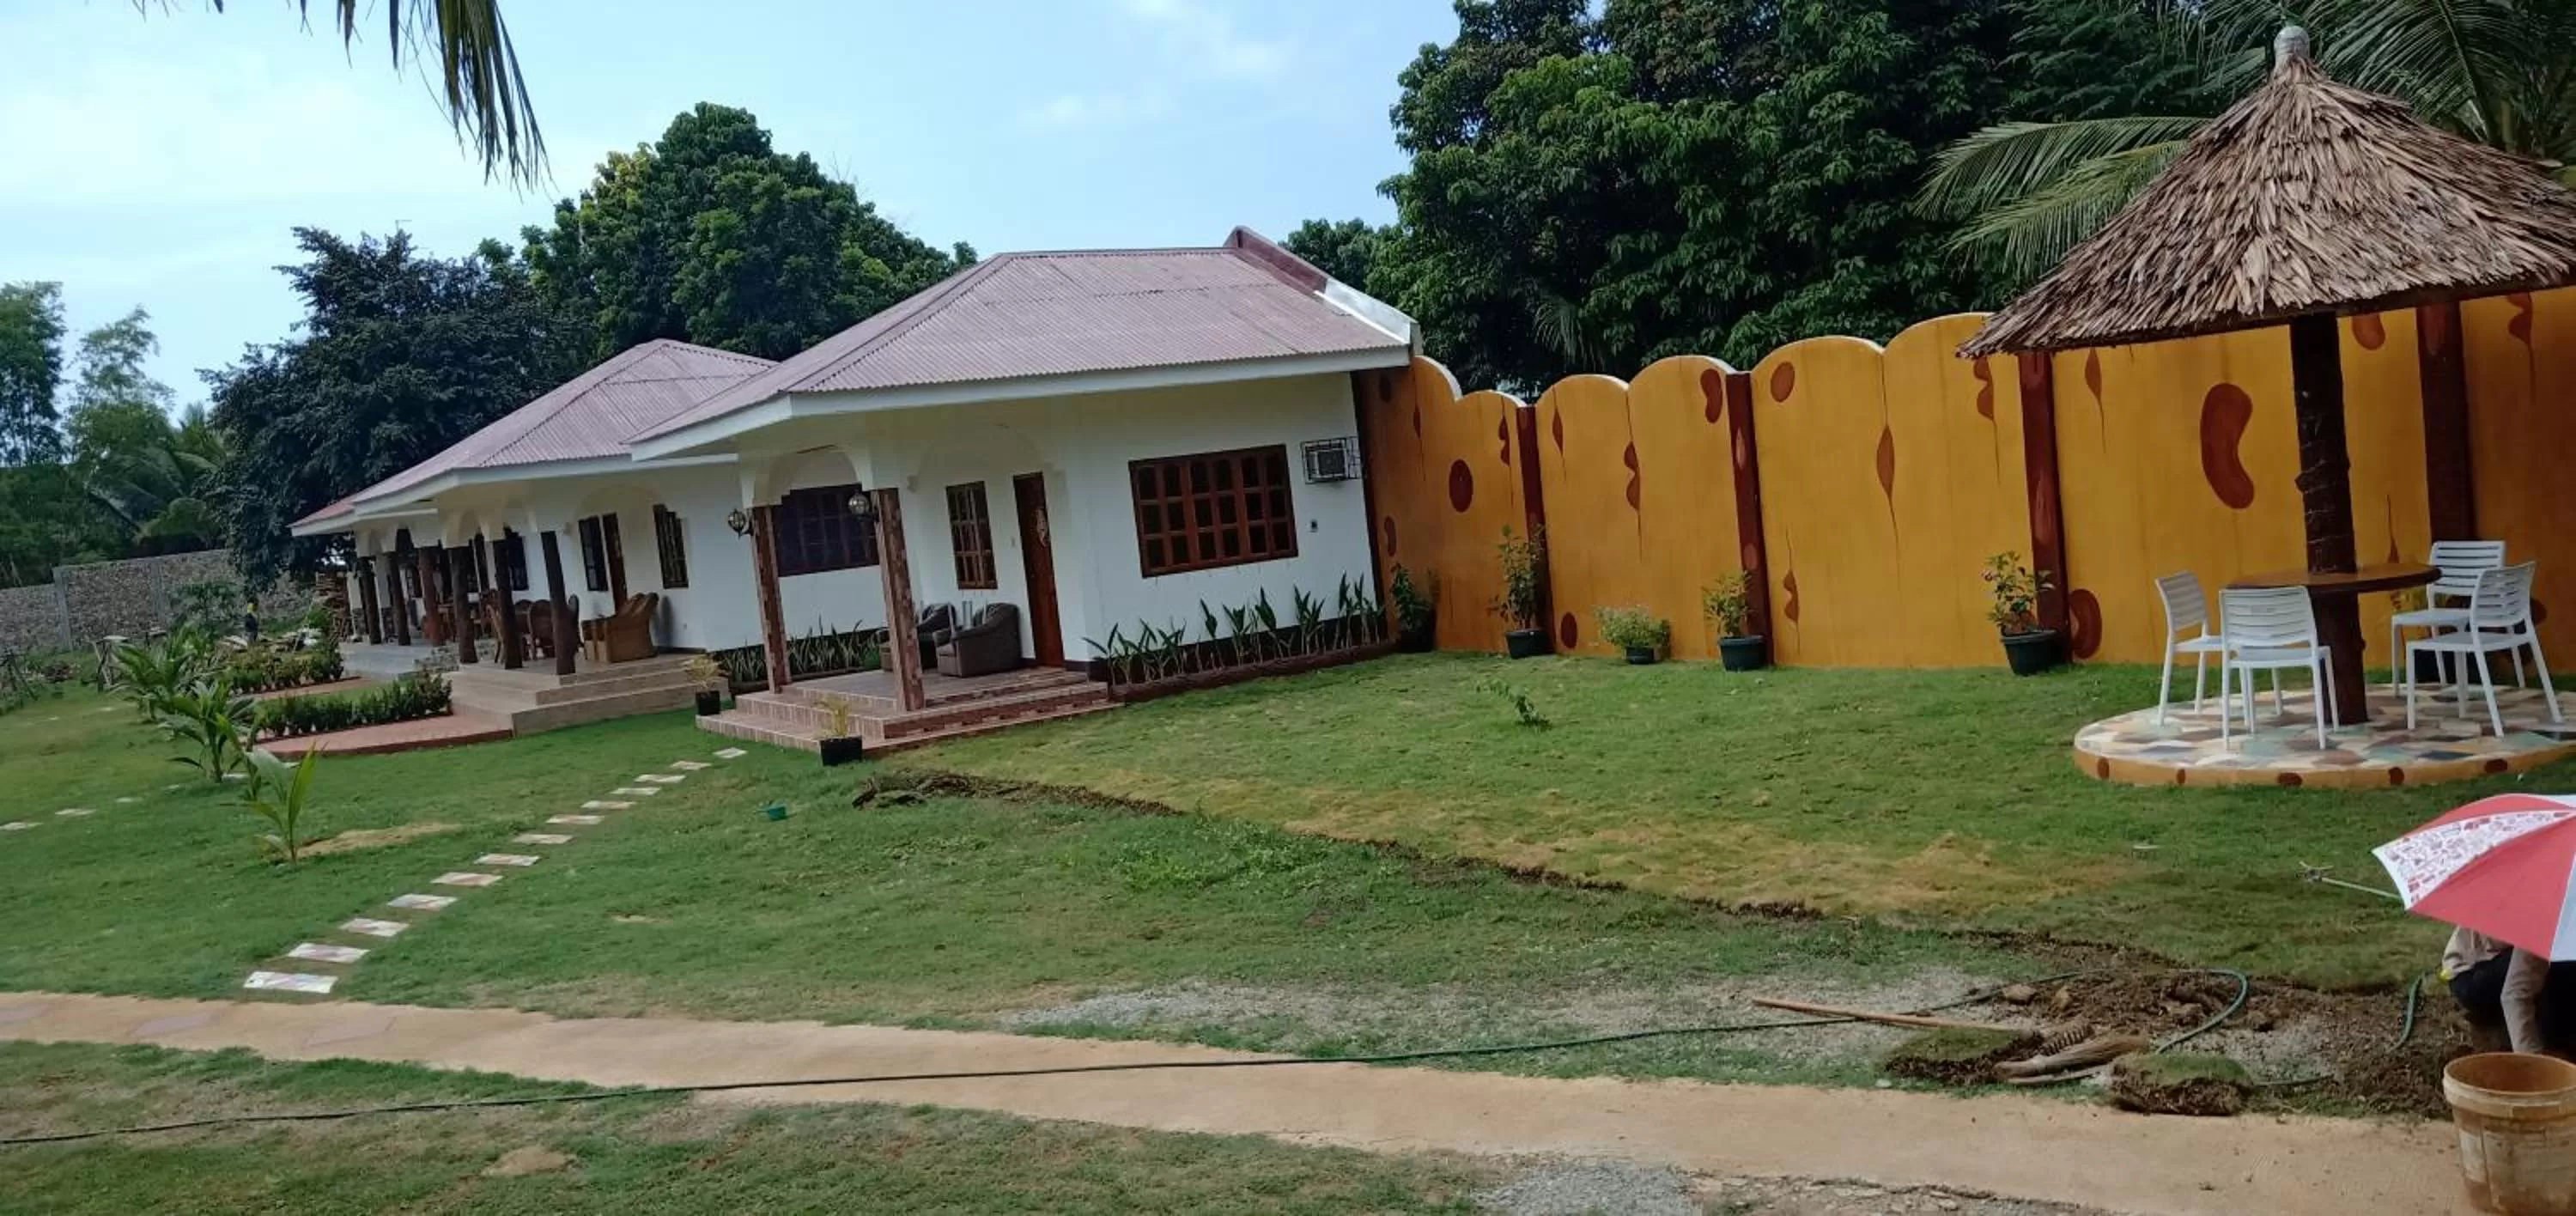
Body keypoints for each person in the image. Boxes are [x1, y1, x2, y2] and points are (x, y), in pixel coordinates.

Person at [2449, 929, 2576, 1055]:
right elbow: (2515, 995)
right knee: (2559, 969)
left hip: (2511, 955)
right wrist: (2533, 1063)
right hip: (2471, 974)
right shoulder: (2547, 925)